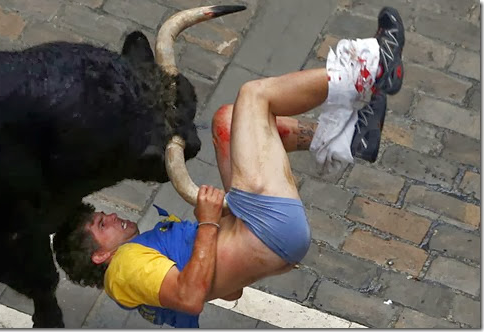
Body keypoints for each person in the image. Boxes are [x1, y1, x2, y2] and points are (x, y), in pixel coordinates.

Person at [53, 7, 404, 328]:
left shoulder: (141, 267)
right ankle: (370, 69)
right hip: (267, 231)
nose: (112, 217)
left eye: (104, 214)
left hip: (262, 234)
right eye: (102, 224)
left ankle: (349, 139)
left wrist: (230, 247)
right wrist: (207, 222)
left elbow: (227, 291)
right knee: (254, 96)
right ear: (100, 255)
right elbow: (190, 298)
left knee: (228, 122)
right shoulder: (124, 268)